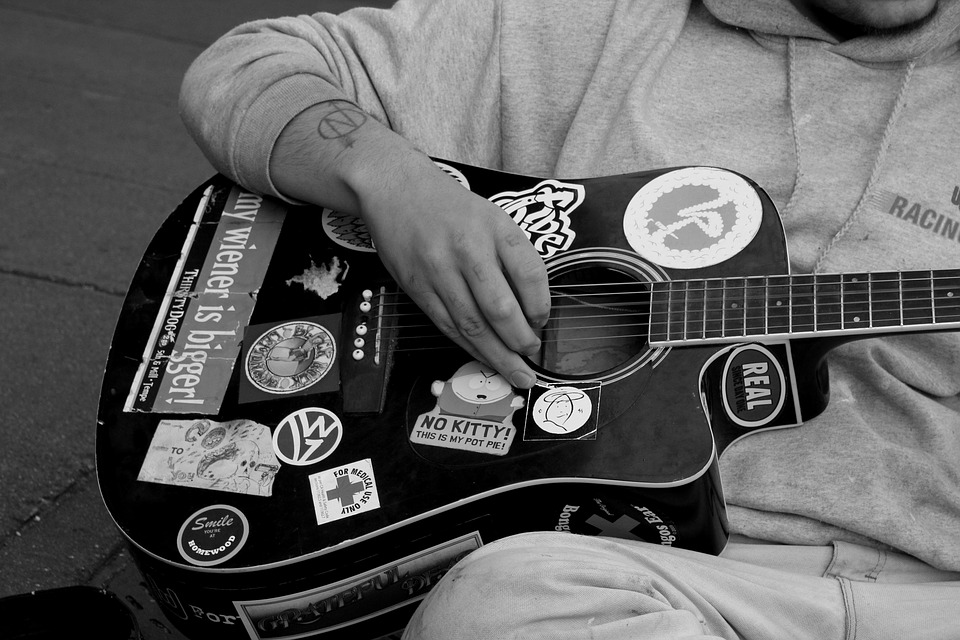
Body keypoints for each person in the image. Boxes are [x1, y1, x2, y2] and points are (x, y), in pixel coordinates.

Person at [179, 0, 960, 637]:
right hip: (636, 575)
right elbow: (244, 68)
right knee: (495, 609)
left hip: (935, 588)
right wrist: (393, 181)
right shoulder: (580, 22)